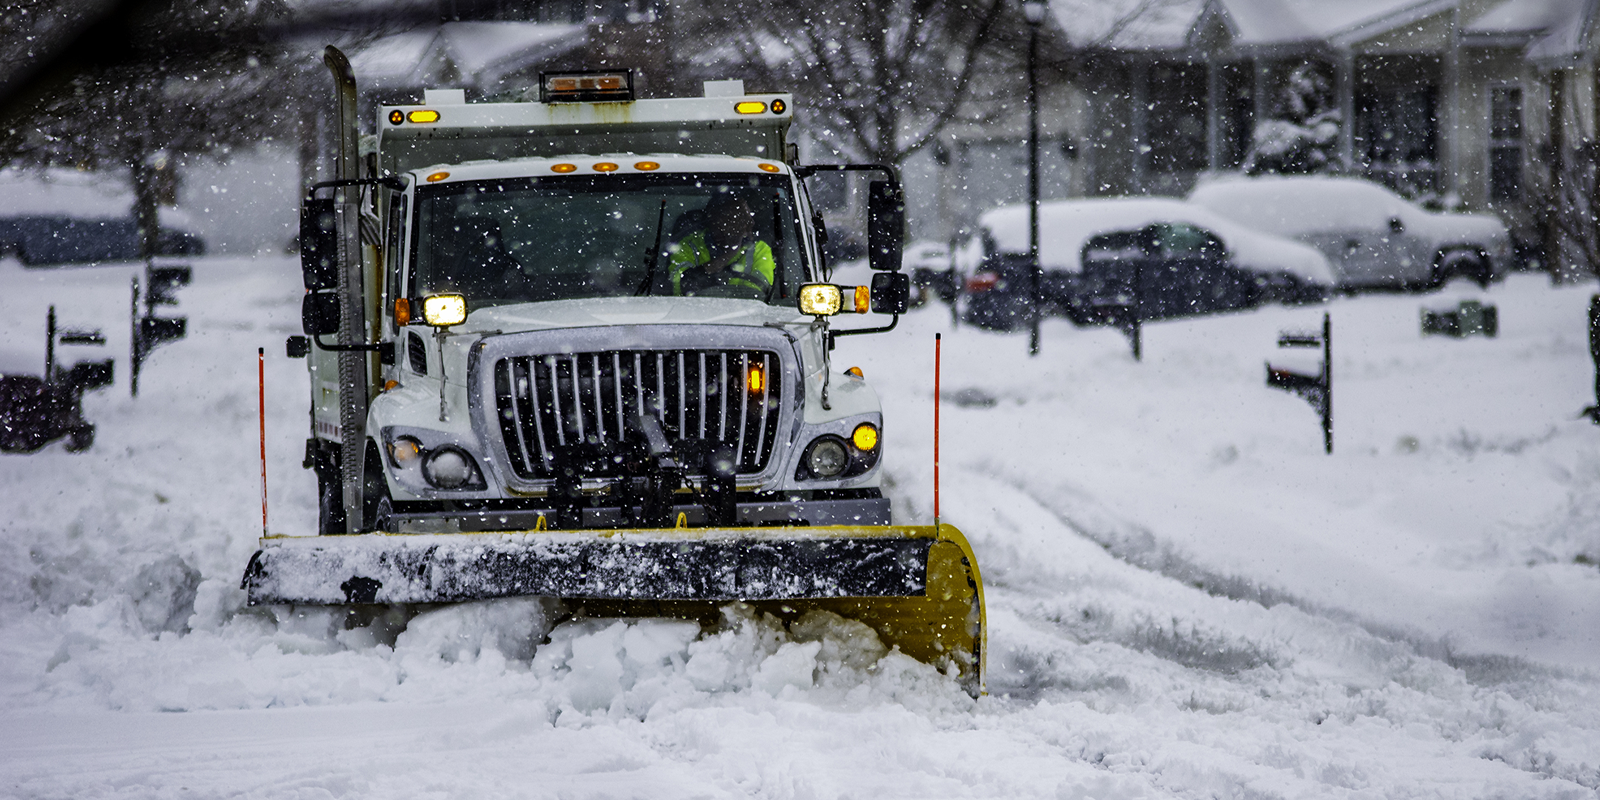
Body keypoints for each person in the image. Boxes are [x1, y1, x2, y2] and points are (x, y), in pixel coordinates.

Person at [668, 193, 775, 299]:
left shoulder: (759, 250)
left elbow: (758, 297)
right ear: (715, 222)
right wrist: (727, 255)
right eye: (740, 219)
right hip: (688, 313)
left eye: (748, 218)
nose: (750, 223)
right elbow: (679, 289)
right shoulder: (688, 246)